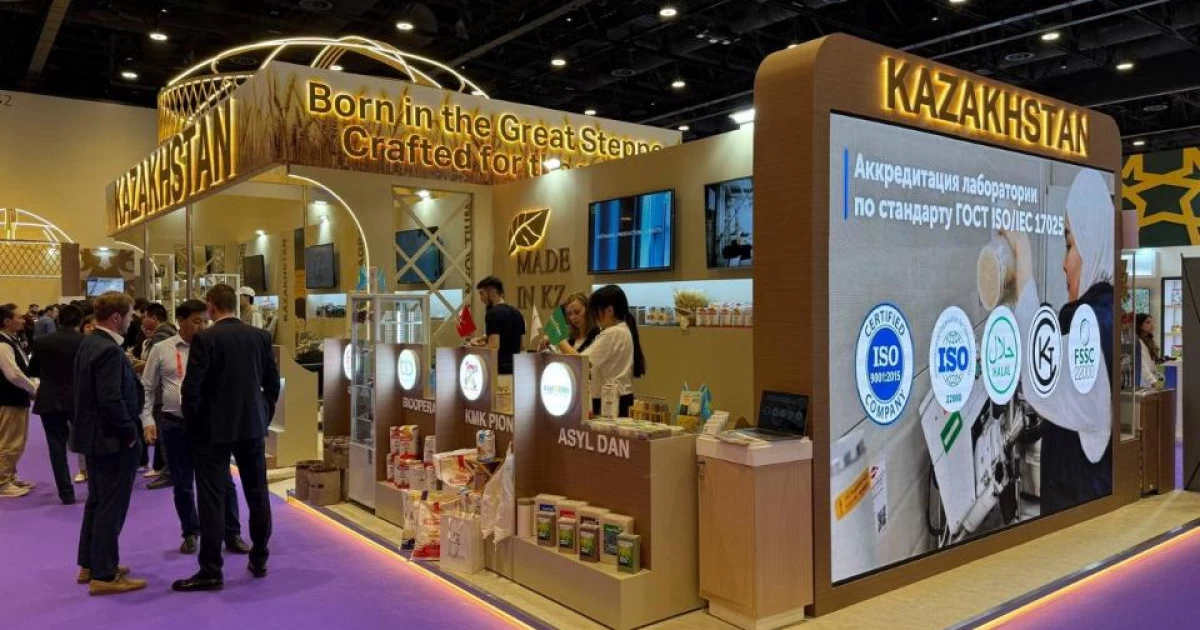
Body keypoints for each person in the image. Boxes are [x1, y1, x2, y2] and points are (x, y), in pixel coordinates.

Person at [1004, 168, 1114, 516]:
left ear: (1091, 244)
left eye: (1069, 245)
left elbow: (1041, 384)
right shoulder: (1111, 311)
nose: (1064, 265)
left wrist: (1022, 255)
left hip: (1078, 514)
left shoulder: (1087, 321)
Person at [174, 284, 280, 592]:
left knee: (212, 498)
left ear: (210, 306)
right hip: (251, 426)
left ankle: (211, 570)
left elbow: (192, 390)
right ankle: (259, 557)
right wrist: (262, 414)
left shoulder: (205, 339)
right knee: (257, 493)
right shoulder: (260, 337)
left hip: (212, 431)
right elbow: (272, 385)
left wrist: (194, 426)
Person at [143, 299, 250, 555]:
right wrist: (147, 420)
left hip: (209, 425)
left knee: (223, 481)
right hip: (175, 425)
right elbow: (147, 387)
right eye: (196, 321)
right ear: (181, 321)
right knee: (182, 483)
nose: (201, 326)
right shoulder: (162, 349)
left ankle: (232, 533)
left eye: (205, 321)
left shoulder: (214, 345)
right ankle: (190, 532)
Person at [72, 292, 148, 595]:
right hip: (112, 441)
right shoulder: (108, 350)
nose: (132, 320)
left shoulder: (90, 342)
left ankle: (90, 564)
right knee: (111, 506)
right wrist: (130, 435)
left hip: (96, 438)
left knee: (97, 502)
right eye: (129, 315)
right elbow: (111, 400)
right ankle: (104, 574)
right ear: (117, 317)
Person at [555, 285, 646, 416]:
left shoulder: (613, 333)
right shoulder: (620, 330)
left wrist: (557, 338)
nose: (594, 316)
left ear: (609, 310)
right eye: (569, 314)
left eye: (596, 311)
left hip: (612, 400)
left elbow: (581, 361)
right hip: (615, 397)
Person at [29, 304, 86, 504]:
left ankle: (66, 493)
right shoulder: (85, 342)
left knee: (56, 447)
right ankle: (95, 486)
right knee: (87, 442)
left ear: (58, 320)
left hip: (49, 398)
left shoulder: (42, 342)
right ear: (80, 321)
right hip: (78, 398)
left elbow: (33, 370)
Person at [0, 304, 38, 498]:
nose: (23, 320)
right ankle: (2, 482)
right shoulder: (2, 344)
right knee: (10, 441)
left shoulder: (11, 339)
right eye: (18, 317)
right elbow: (13, 374)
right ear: (7, 321)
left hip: (16, 397)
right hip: (9, 398)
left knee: (17, 440)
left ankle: (10, 475)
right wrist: (33, 388)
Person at [471, 276, 525, 375]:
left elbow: (494, 346)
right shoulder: (518, 313)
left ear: (492, 292)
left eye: (482, 293)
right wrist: (483, 338)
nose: (481, 298)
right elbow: (522, 345)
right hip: (515, 369)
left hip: (498, 370)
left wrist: (476, 348)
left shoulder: (492, 314)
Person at [74, 314, 99, 484]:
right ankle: (83, 469)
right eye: (87, 326)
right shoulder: (78, 345)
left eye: (93, 326)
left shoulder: (105, 345)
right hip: (80, 395)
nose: (91, 329)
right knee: (81, 432)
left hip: (99, 396)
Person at [1135, 313, 1164, 388]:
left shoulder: (1149, 341)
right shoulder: (1138, 342)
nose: (1152, 325)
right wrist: (1153, 381)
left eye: (1152, 322)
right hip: (1143, 383)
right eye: (1148, 322)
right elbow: (1143, 366)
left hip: (1150, 381)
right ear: (1140, 325)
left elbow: (1151, 365)